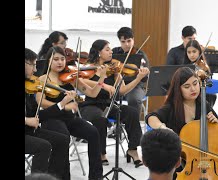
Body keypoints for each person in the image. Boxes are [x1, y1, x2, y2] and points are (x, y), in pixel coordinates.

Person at [145, 67, 218, 179]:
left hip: (206, 159)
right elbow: (151, 117)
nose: (193, 89)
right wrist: (163, 127)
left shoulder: (203, 105)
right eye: (187, 86)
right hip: (181, 159)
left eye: (195, 84)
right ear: (179, 89)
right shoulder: (172, 107)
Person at [36, 46, 108, 180]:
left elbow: (92, 93)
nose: (60, 62)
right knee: (64, 136)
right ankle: (62, 177)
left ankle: (96, 176)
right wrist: (64, 105)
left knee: (93, 132)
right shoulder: (42, 79)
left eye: (62, 59)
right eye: (56, 59)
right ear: (49, 61)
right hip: (51, 119)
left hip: (69, 119)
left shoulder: (71, 77)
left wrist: (102, 78)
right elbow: (41, 102)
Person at [79, 39, 149, 168]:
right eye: (107, 49)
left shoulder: (114, 68)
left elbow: (122, 91)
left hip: (109, 104)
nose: (111, 52)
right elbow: (85, 83)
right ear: (99, 53)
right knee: (100, 118)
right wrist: (104, 84)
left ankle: (133, 149)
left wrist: (138, 78)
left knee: (132, 113)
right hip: (91, 105)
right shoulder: (88, 69)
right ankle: (101, 153)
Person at [25, 48, 70, 180]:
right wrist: (27, 120)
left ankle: (53, 177)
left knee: (62, 140)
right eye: (33, 65)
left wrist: (62, 104)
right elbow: (30, 120)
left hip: (29, 131)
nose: (35, 70)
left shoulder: (29, 87)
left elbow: (39, 116)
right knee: (44, 146)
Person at [112, 27, 150, 118]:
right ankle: (113, 123)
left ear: (133, 39)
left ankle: (133, 125)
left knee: (134, 99)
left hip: (136, 85)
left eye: (129, 41)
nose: (127, 44)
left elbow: (145, 78)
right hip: (117, 84)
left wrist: (142, 73)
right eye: (123, 42)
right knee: (104, 95)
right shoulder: (114, 52)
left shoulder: (140, 55)